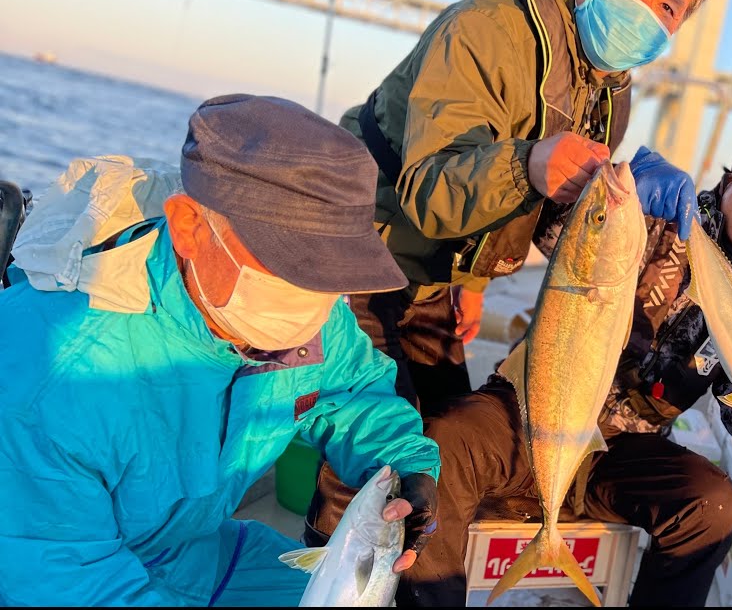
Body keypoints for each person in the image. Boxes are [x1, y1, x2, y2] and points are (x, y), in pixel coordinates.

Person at [306, 133, 732, 607]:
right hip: (532, 403)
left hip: (620, 447)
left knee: (713, 507)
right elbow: (554, 232)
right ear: (731, 178)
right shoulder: (648, 214)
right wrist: (612, 184)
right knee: (442, 444)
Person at [0, 94, 442, 606]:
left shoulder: (310, 307)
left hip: (202, 556)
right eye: (287, 263)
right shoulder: (52, 372)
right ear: (189, 226)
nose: (315, 302)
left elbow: (352, 391)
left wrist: (406, 467)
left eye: (330, 273)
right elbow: (61, 576)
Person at [330, 0, 719, 413]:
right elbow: (428, 187)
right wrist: (528, 164)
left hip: (434, 275)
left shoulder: (611, 93)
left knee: (448, 431)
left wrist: (473, 280)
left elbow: (548, 216)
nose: (644, 10)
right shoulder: (485, 30)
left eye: (668, 7)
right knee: (387, 450)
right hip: (357, 252)